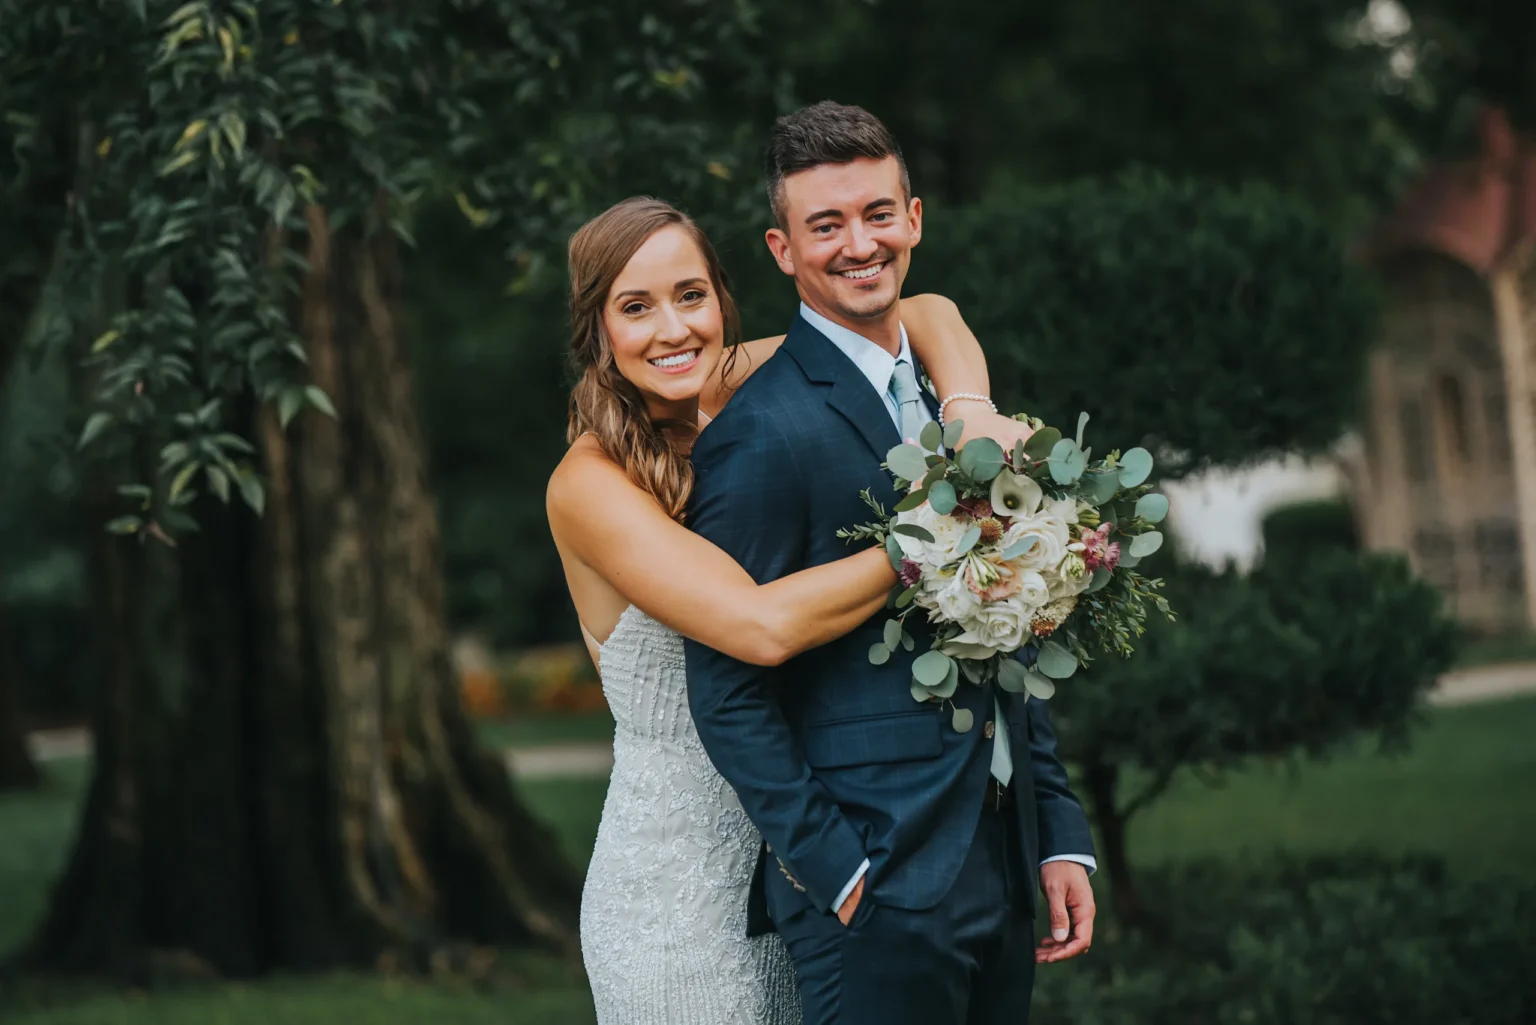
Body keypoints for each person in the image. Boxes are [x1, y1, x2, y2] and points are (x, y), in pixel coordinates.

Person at [547, 195, 1032, 1024]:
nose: (672, 329)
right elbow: (761, 626)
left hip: (810, 849)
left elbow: (927, 312)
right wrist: (940, 526)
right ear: (596, 331)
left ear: (722, 301)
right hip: (682, 891)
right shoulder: (588, 485)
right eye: (636, 307)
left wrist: (968, 414)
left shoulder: (736, 380)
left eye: (690, 295)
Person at [682, 101, 1098, 1025]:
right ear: (782, 249)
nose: (857, 243)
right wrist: (832, 865)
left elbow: (1006, 625)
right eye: (824, 225)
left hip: (1001, 859)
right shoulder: (761, 435)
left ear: (914, 219)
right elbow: (723, 684)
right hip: (874, 884)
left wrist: (1058, 834)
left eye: (877, 213)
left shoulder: (963, 410)